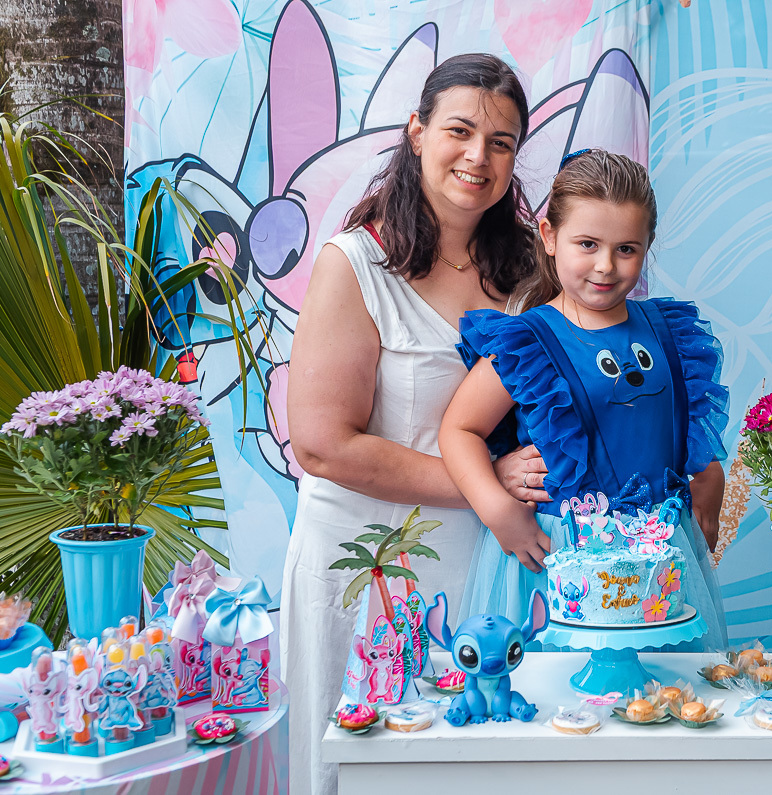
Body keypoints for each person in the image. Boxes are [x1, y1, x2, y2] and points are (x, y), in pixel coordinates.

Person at [282, 54, 549, 795]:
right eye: (459, 131)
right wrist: (486, 485)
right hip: (370, 567)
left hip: (488, 562)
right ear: (417, 131)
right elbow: (322, 445)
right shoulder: (355, 263)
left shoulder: (532, 268)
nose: (478, 156)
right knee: (362, 761)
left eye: (501, 142)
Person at [439, 149, 729, 649]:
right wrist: (496, 509)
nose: (605, 266)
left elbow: (673, 419)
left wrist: (709, 476)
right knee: (564, 683)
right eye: (588, 244)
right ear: (550, 237)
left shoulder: (668, 331)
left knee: (661, 683)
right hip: (560, 555)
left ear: (647, 245)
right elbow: (459, 429)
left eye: (626, 249)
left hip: (660, 553)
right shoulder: (529, 342)